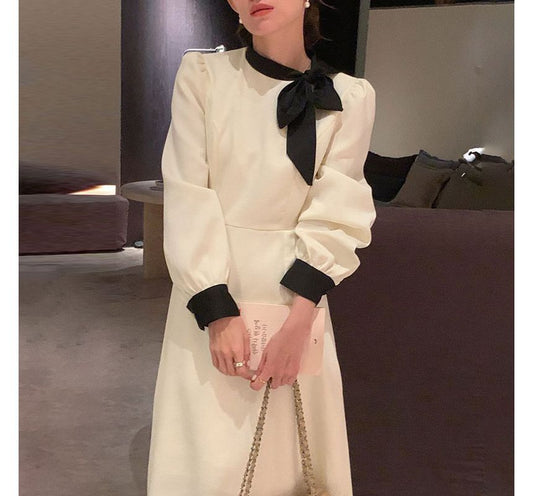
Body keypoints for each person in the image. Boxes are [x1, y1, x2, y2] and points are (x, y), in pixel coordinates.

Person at [146, 0, 377, 494]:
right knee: (207, 458)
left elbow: (340, 207)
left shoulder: (351, 97)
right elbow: (187, 190)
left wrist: (298, 322)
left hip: (297, 301)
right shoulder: (204, 76)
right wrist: (216, 310)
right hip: (210, 287)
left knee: (289, 460)